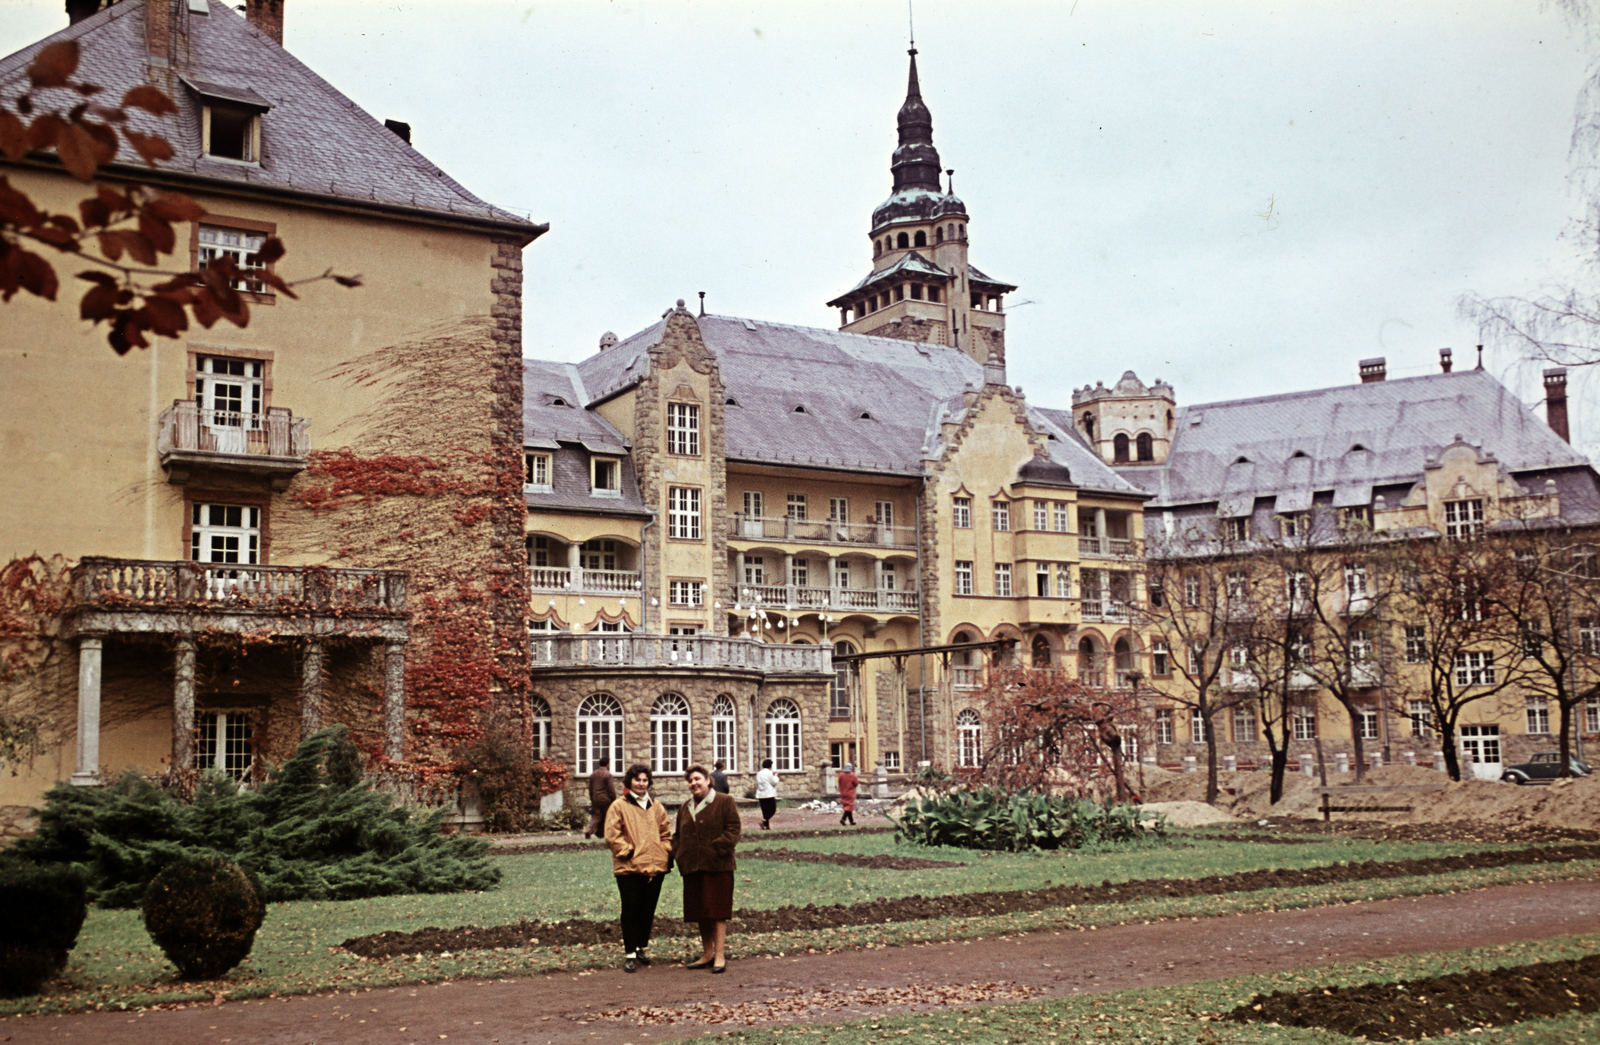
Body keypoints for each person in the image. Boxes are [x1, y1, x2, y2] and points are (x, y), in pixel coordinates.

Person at [672, 764, 741, 973]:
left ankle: (719, 955)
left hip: (718, 865)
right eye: (690, 781)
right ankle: (707, 953)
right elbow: (677, 835)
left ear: (708, 780)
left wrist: (717, 848)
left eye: (697, 779)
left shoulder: (724, 801)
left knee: (718, 911)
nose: (694, 784)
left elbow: (733, 829)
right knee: (701, 911)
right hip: (693, 866)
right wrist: (679, 853)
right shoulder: (685, 807)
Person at [603, 764, 671, 972]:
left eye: (644, 780)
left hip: (654, 866)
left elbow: (666, 832)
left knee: (647, 909)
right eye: (637, 779)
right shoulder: (619, 806)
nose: (641, 783)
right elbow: (612, 835)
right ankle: (630, 952)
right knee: (631, 909)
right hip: (629, 868)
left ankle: (641, 946)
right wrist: (629, 852)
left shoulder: (656, 806)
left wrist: (664, 852)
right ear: (629, 782)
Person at [584, 756, 616, 839]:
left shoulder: (593, 774)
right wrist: (614, 798)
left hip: (595, 798)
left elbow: (590, 788)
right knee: (607, 815)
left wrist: (592, 798)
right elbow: (611, 789)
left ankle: (590, 831)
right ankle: (606, 833)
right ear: (608, 764)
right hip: (605, 799)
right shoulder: (608, 775)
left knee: (596, 816)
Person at [754, 758, 779, 830]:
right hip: (769, 794)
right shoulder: (769, 772)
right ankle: (765, 820)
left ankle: (766, 826)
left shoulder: (759, 773)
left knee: (765, 811)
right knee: (772, 809)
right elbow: (774, 782)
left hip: (761, 794)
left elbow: (757, 783)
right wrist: (776, 776)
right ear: (770, 766)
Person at [836, 762, 858, 826]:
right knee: (849, 806)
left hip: (843, 792)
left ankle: (851, 821)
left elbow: (839, 782)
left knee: (847, 806)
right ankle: (843, 819)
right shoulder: (852, 775)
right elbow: (856, 783)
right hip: (850, 792)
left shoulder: (841, 775)